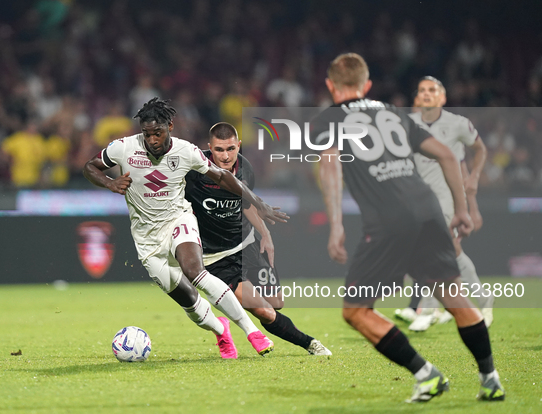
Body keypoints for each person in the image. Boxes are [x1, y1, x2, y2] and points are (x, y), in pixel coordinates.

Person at [315, 53, 504, 402]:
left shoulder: (329, 118)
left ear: (330, 85)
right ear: (367, 85)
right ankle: (490, 378)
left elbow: (329, 167)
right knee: (455, 297)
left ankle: (426, 374)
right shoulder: (393, 112)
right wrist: (460, 209)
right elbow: (448, 155)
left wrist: (336, 225)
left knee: (355, 310)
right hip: (429, 210)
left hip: (388, 220)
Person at [83, 98, 288, 359]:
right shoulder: (123, 148)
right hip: (146, 239)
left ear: (170, 126)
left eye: (158, 133)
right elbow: (90, 166)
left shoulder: (186, 151)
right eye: (147, 134)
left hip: (178, 220)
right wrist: (109, 183)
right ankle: (220, 330)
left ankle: (252, 332)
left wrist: (258, 203)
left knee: (195, 271)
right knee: (190, 303)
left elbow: (224, 177)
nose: (152, 140)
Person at [185, 122, 332, 356]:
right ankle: (311, 344)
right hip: (218, 259)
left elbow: (245, 204)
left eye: (231, 149)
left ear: (239, 145)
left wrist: (266, 234)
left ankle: (233, 311)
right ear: (209, 147)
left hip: (248, 245)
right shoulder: (193, 171)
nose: (225, 156)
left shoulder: (246, 168)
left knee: (276, 303)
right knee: (263, 311)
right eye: (219, 150)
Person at [395, 76, 492, 331]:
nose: (426, 94)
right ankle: (479, 298)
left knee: (434, 248)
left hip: (447, 197)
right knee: (446, 252)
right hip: (418, 199)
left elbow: (479, 150)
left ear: (442, 97)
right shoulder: (409, 124)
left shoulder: (458, 124)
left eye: (432, 90)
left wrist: (473, 180)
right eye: (422, 90)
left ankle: (426, 310)